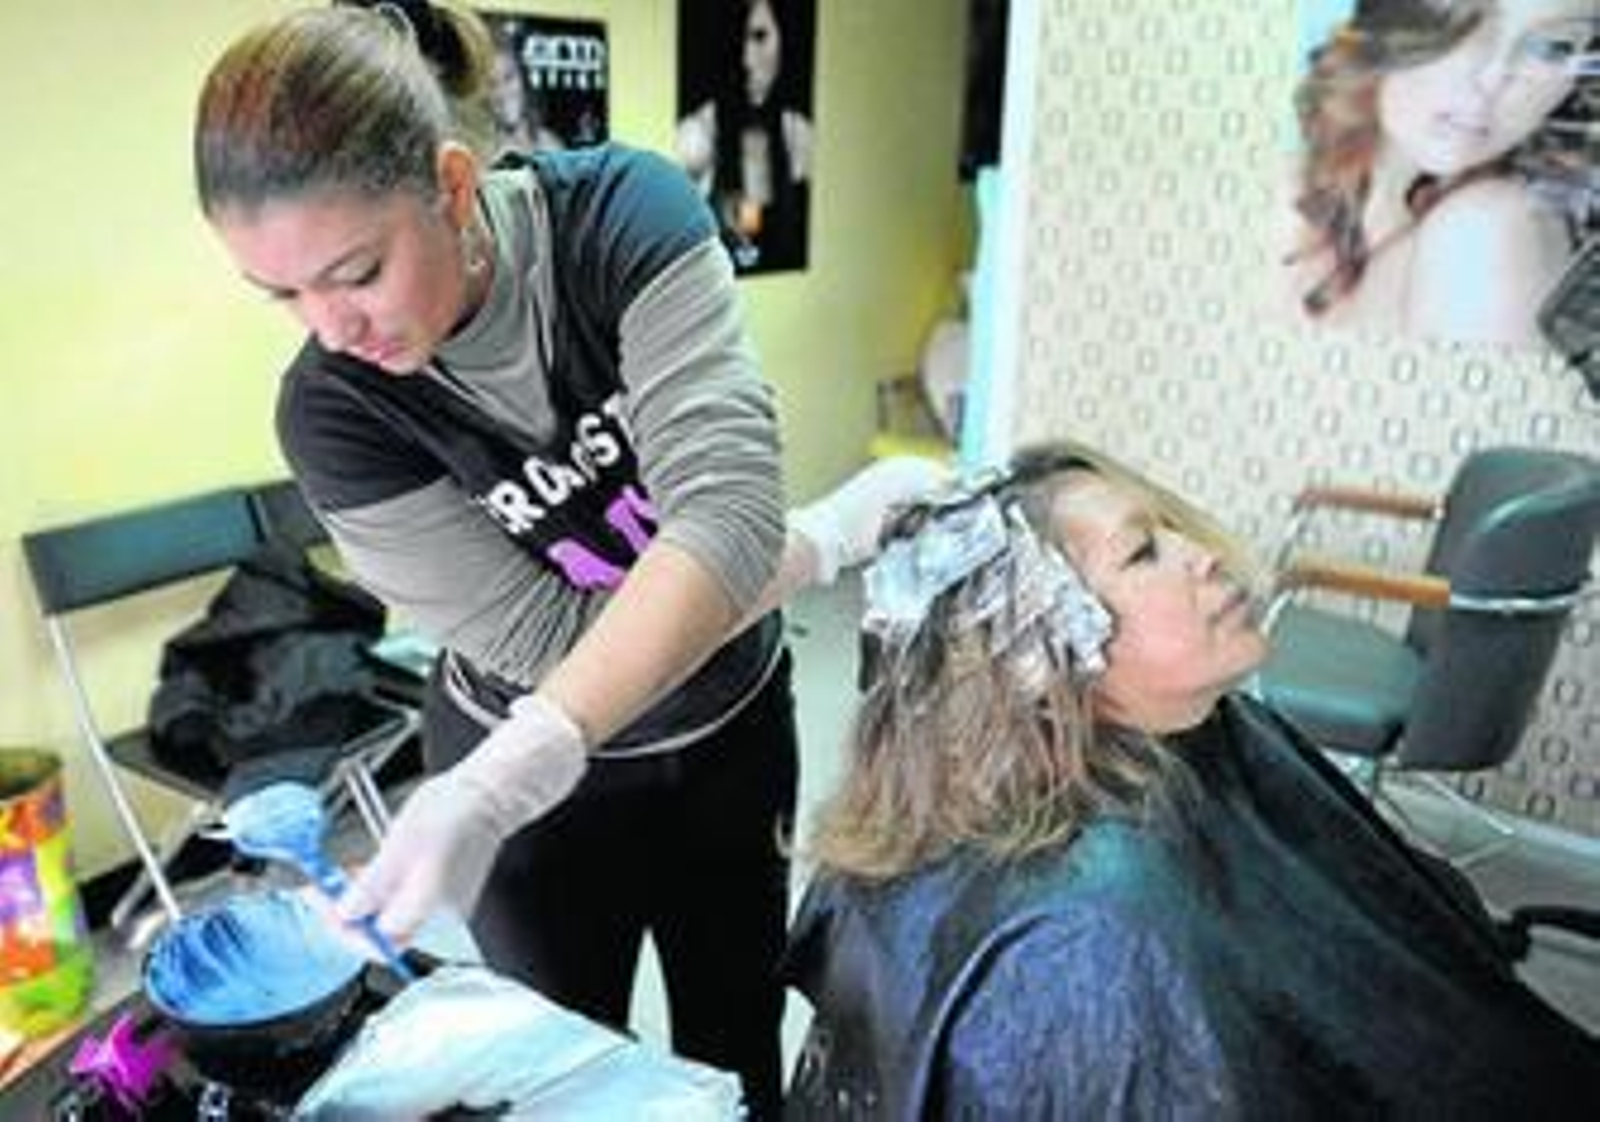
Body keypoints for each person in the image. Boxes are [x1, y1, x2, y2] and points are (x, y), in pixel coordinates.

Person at [192, 2, 943, 1114]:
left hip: (730, 739)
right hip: (539, 802)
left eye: (354, 272)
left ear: (452, 185)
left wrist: (744, 542)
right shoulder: (333, 411)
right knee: (567, 1075)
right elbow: (558, 638)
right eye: (285, 295)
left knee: (736, 1035)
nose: (330, 326)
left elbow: (723, 518)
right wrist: (819, 539)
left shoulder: (618, 216)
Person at [782, 442, 1600, 1118]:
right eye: (1145, 551)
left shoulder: (1220, 733)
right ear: (1040, 655)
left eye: (1170, 531)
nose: (1204, 554)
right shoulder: (1092, 936)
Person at [1286, 0, 1599, 346]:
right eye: (1471, 23)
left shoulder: (1483, 233)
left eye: (1554, 47)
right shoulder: (1296, 200)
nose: (1493, 78)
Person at [676, 0, 816, 273]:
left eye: (760, 37)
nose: (748, 60)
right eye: (737, 39)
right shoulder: (696, 136)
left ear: (783, 37)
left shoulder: (799, 134)